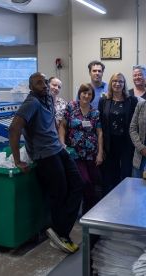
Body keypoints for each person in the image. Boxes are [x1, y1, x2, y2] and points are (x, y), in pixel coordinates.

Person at [9, 72, 83, 254]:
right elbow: (14, 128)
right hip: (44, 155)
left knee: (78, 185)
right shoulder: (31, 103)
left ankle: (58, 229)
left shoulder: (48, 98)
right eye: (38, 83)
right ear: (31, 87)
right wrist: (18, 160)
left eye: (44, 82)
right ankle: (61, 233)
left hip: (58, 149)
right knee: (59, 193)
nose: (43, 85)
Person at [59, 83, 103, 214]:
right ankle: (81, 212)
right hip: (75, 153)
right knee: (85, 181)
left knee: (94, 183)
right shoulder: (71, 107)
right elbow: (62, 126)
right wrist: (62, 144)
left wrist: (100, 153)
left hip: (91, 154)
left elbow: (100, 132)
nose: (86, 96)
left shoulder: (95, 112)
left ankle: (89, 212)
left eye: (89, 94)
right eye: (84, 92)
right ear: (80, 93)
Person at [98, 73, 139, 195]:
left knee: (126, 172)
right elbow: (100, 123)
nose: (117, 84)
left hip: (126, 142)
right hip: (109, 143)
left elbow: (136, 122)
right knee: (110, 174)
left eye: (121, 81)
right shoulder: (104, 101)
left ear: (124, 84)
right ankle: (110, 200)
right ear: (111, 83)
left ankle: (125, 199)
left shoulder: (132, 100)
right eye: (115, 81)